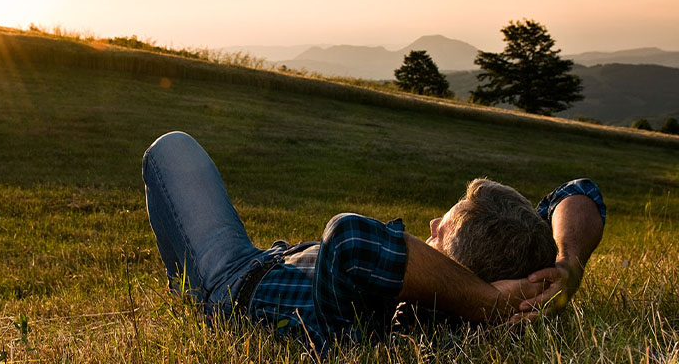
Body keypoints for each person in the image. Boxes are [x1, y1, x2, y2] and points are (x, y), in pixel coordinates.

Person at [142, 131, 606, 352]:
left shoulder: (392, 317)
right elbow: (580, 191)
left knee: (172, 150)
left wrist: (484, 301)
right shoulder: (522, 262)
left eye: (438, 231)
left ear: (452, 270)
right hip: (282, 257)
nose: (429, 225)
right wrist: (569, 264)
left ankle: (190, 288)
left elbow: (348, 237)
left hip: (233, 280)